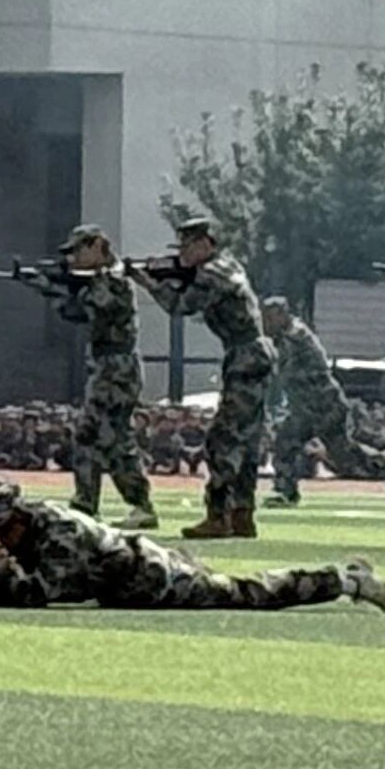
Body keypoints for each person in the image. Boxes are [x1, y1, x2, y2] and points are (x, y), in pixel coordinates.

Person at [0, 474, 385, 614]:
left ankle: (344, 579)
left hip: (153, 580)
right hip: (123, 584)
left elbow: (32, 595)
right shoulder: (24, 525)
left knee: (245, 594)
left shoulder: (59, 531)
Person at [137, 215, 271, 543]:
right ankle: (242, 514)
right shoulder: (226, 266)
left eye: (187, 245)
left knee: (222, 440)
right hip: (250, 354)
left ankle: (219, 515)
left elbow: (179, 306)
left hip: (245, 356)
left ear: (205, 243)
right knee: (246, 441)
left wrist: (149, 282)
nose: (182, 252)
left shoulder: (212, 273)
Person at [52, 226, 157, 530]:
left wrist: (68, 288)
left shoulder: (116, 278)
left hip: (119, 368)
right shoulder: (99, 280)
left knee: (114, 438)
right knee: (87, 434)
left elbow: (99, 305)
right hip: (105, 367)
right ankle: (85, 503)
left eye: (79, 250)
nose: (73, 258)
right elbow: (74, 313)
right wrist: (54, 290)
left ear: (98, 245)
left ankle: (140, 504)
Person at [260, 297, 385, 506]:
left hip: (324, 404)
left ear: (283, 315)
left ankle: (380, 462)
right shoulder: (282, 336)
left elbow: (282, 364)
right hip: (305, 407)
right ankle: (286, 492)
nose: (267, 323)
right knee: (286, 443)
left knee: (341, 456)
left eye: (270, 317)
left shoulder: (296, 335)